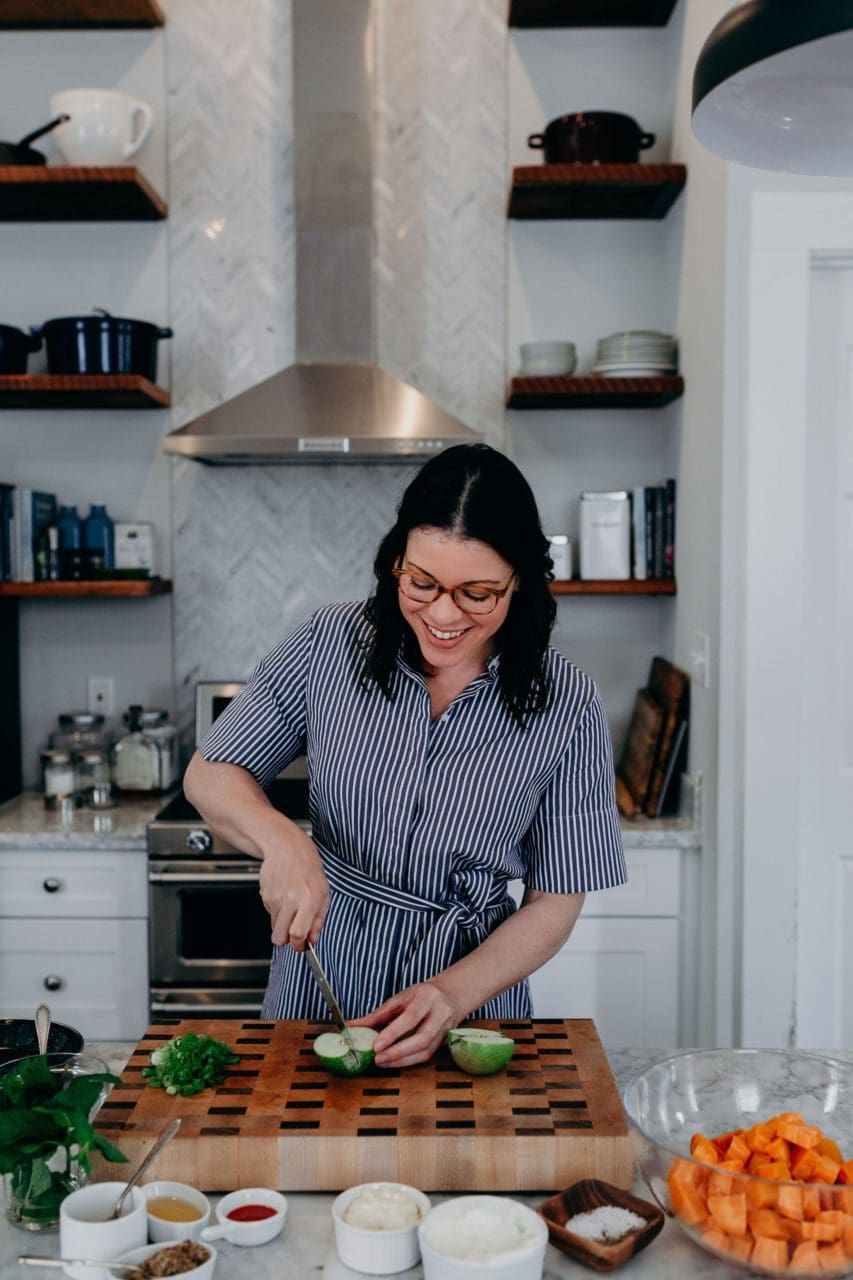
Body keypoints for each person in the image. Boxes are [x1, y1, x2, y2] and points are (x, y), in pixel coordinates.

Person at [184, 443, 626, 1068]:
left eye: (477, 593)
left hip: (469, 1011)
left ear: (519, 582)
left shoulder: (569, 702)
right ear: (396, 562)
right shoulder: (327, 644)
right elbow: (210, 773)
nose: (443, 614)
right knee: (304, 1159)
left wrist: (452, 993)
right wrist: (282, 841)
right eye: (421, 583)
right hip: (321, 985)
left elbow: (556, 899)